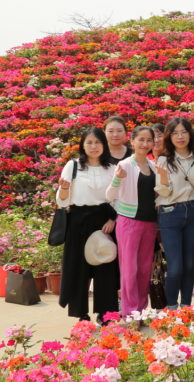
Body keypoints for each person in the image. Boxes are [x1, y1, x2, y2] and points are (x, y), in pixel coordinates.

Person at [55, 127, 119, 322]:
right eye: (89, 142)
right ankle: (81, 314)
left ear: (104, 144)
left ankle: (105, 314)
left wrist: (112, 220)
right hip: (78, 221)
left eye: (98, 142)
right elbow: (61, 201)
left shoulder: (113, 167)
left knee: (105, 266)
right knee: (78, 268)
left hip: (104, 221)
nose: (94, 146)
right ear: (83, 145)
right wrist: (63, 189)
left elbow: (119, 197)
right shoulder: (73, 165)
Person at [105, 126, 159, 317]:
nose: (145, 143)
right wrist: (116, 179)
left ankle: (141, 312)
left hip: (150, 223)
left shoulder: (153, 165)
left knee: (144, 269)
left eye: (149, 140)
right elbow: (109, 195)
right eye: (141, 139)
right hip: (129, 221)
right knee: (129, 269)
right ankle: (130, 314)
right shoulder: (125, 165)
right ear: (132, 141)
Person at [154, 118, 194, 310]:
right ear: (169, 136)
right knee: (175, 267)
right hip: (170, 213)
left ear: (190, 134)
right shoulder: (164, 159)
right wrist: (163, 178)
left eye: (183, 132)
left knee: (189, 264)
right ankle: (172, 308)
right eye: (175, 133)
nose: (180, 136)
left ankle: (187, 307)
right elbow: (163, 193)